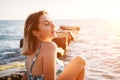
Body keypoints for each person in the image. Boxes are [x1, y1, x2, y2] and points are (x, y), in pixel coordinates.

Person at [22, 10, 86, 80]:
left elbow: (26, 75)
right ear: (36, 32)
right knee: (80, 60)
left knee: (75, 66)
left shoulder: (31, 51)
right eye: (46, 24)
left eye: (52, 22)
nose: (53, 25)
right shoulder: (49, 46)